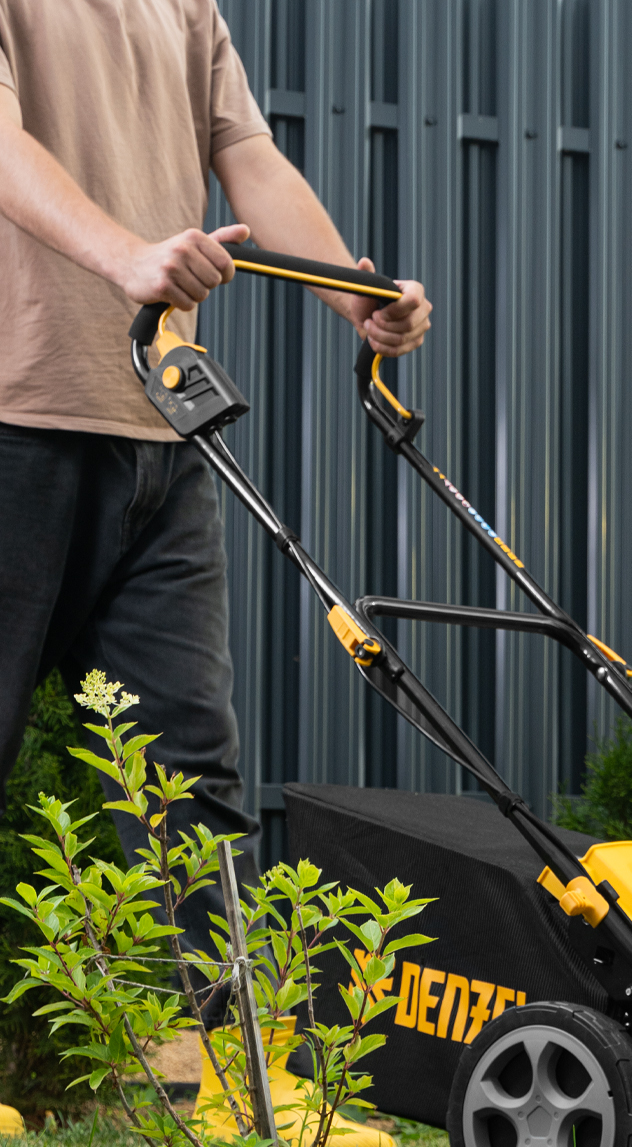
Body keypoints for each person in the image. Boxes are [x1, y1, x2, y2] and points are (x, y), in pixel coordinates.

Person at [0, 0, 430, 959]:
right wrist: (129, 257)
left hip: (162, 428)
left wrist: (355, 296)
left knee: (191, 783)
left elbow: (249, 156)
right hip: (16, 419)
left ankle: (225, 1043)